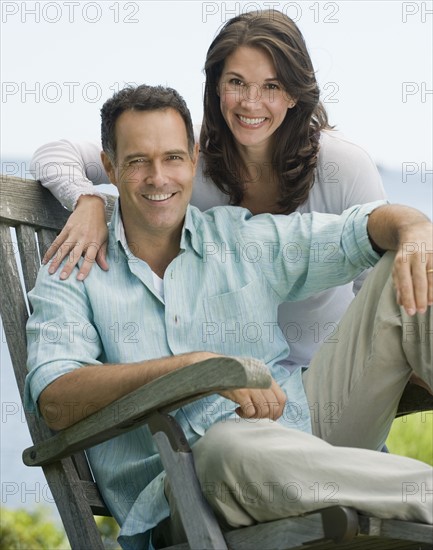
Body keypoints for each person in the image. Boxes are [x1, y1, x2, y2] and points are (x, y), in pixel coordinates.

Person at [25, 84, 433, 550]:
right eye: (138, 162)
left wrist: (416, 228)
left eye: (173, 158)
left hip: (308, 439)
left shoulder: (240, 239)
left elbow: (356, 233)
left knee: (411, 265)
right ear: (112, 168)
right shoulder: (73, 271)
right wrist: (192, 370)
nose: (159, 177)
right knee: (228, 446)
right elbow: (56, 398)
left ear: (194, 160)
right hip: (189, 488)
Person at [30, 9, 386, 367]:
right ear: (216, 86)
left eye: (272, 86)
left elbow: (378, 285)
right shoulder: (184, 158)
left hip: (324, 375)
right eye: (236, 82)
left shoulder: (345, 168)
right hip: (228, 381)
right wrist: (86, 198)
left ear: (295, 93)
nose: (250, 101)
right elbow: (57, 153)